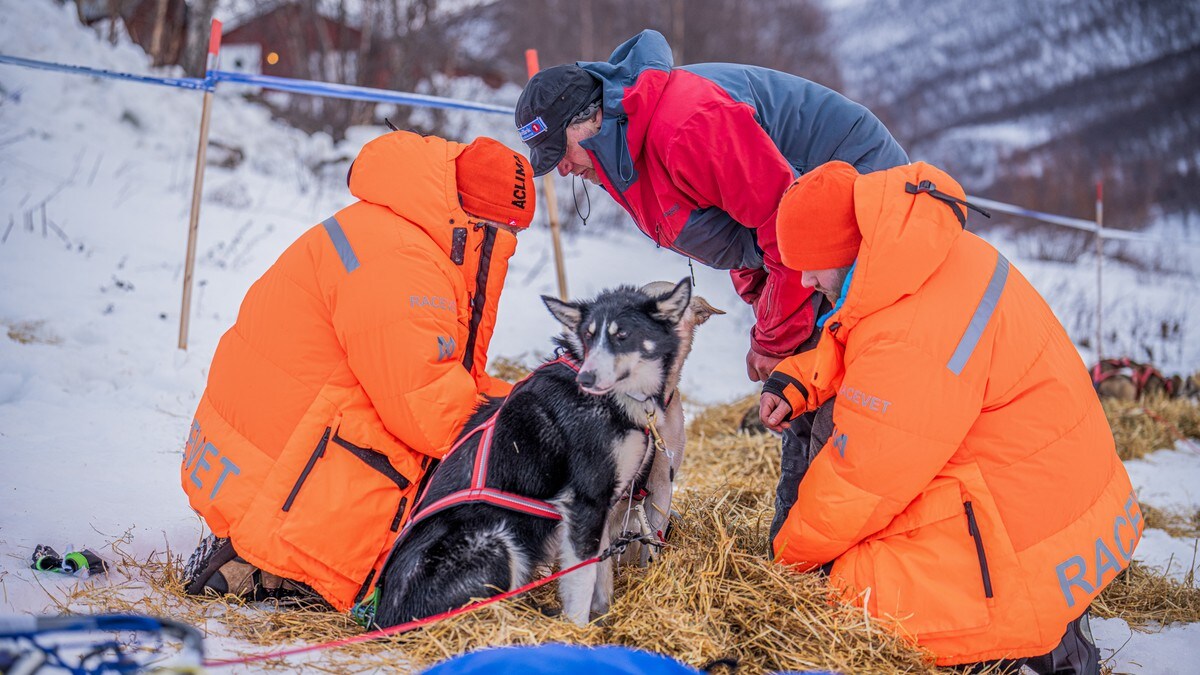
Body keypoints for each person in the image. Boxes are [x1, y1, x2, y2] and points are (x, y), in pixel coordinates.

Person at [513, 29, 909, 539]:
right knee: (800, 381)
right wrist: (765, 308)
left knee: (839, 394)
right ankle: (797, 547)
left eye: (558, 152)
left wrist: (773, 338)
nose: (563, 169)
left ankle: (834, 555)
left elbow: (784, 224)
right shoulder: (623, 148)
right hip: (799, 238)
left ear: (588, 119)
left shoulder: (686, 126)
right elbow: (740, 230)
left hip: (858, 206)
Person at [760, 161, 1142, 673]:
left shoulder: (910, 335)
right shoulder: (923, 252)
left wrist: (785, 568)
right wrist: (803, 378)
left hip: (1024, 542)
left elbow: (861, 481)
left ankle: (1025, 649)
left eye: (812, 263)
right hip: (1069, 502)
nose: (804, 279)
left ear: (844, 249)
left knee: (846, 591)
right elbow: (863, 336)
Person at [179, 131, 535, 613]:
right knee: (435, 449)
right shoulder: (405, 262)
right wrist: (530, 425)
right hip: (282, 471)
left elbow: (434, 373)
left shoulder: (393, 230)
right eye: (507, 235)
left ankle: (264, 551)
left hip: (255, 454)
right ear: (483, 228)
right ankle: (271, 565)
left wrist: (524, 397)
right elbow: (429, 411)